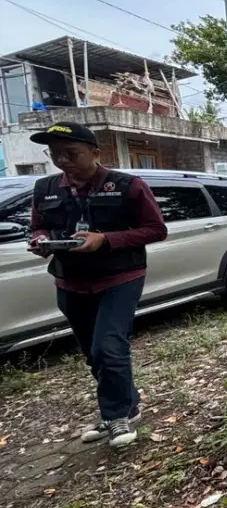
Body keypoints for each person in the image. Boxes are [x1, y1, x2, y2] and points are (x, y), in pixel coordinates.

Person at [28, 121, 167, 448]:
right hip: (70, 281)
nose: (63, 161)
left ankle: (116, 416)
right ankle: (126, 404)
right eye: (55, 155)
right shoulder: (45, 188)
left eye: (71, 153)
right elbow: (37, 227)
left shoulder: (128, 186)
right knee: (95, 353)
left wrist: (105, 239)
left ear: (95, 152)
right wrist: (40, 241)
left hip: (120, 278)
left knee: (108, 346)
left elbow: (156, 230)